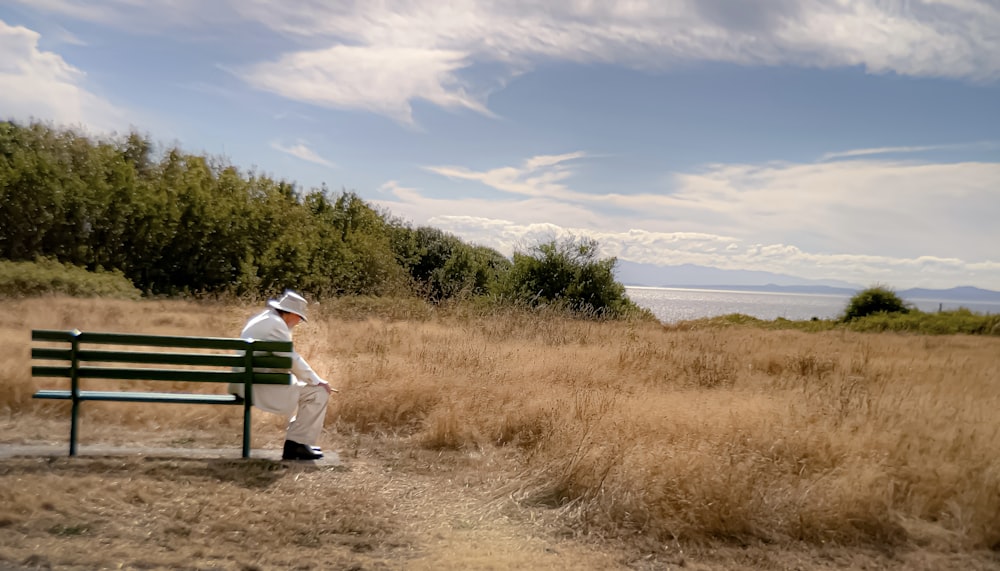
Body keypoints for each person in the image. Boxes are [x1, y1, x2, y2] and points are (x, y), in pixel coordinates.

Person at [229, 290, 336, 461]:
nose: (299, 322)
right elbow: (291, 358)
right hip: (258, 385)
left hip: (245, 382)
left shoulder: (263, 318)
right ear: (292, 313)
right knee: (318, 392)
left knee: (310, 389)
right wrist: (317, 381)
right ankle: (296, 445)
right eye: (300, 317)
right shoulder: (276, 325)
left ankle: (298, 444)